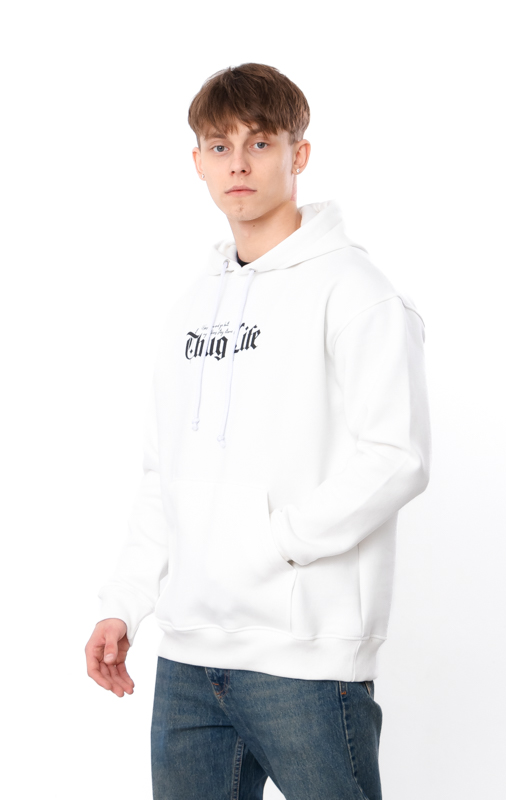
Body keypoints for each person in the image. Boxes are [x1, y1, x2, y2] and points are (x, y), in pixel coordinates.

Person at [85, 62, 432, 800]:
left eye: (259, 142)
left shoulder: (355, 292)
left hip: (304, 662)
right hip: (187, 657)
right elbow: (163, 474)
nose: (238, 164)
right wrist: (124, 601)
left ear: (297, 154)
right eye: (219, 146)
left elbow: (396, 456)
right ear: (198, 162)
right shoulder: (190, 307)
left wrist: (274, 542)